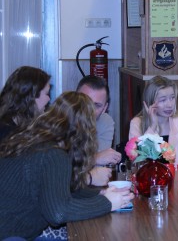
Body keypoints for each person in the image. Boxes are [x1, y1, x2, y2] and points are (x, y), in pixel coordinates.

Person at [0, 91, 134, 240]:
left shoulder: (36, 140)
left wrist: (98, 194)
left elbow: (61, 189)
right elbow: (58, 213)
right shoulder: (53, 154)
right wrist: (107, 203)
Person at [76, 75, 121, 187]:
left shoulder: (106, 121)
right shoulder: (61, 121)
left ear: (105, 108)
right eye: (85, 101)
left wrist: (96, 159)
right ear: (74, 99)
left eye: (97, 105)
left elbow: (101, 164)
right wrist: (95, 158)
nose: (89, 109)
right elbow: (61, 169)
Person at [0, 66, 51, 143]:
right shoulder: (5, 132)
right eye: (47, 93)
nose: (49, 99)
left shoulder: (20, 124)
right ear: (31, 96)